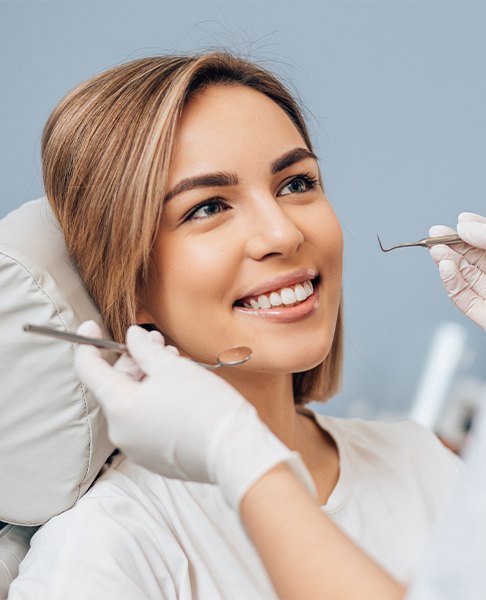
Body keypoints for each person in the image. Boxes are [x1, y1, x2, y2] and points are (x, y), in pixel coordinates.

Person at [8, 51, 478, 599]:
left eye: (296, 183)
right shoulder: (108, 550)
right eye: (208, 207)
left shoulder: (419, 459)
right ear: (130, 284)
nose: (282, 233)